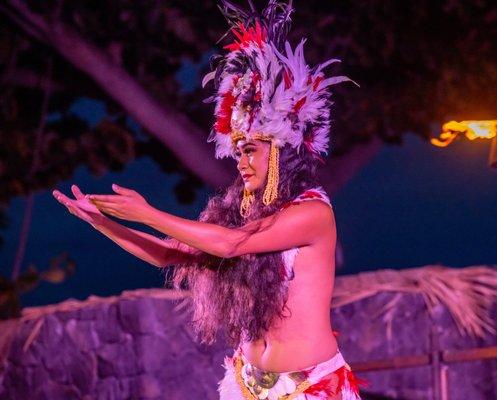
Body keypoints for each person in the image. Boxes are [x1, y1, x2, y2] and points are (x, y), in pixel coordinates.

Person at [52, 1, 366, 398]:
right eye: (237, 152)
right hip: (244, 381)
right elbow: (169, 254)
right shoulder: (242, 211)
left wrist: (147, 213)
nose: (242, 162)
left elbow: (232, 245)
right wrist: (105, 223)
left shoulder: (313, 213)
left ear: (283, 148)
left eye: (251, 149)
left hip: (310, 387)